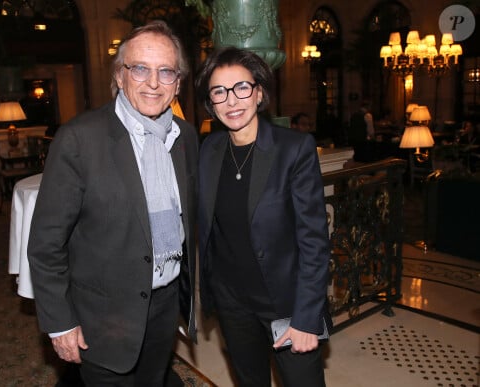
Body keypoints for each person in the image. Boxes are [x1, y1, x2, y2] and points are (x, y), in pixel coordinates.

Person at [27, 20, 198, 386]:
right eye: (140, 68)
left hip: (164, 307)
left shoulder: (184, 137)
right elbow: (46, 244)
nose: (153, 83)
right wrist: (60, 322)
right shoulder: (79, 140)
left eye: (166, 71)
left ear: (178, 83)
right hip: (102, 318)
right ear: (120, 76)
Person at [195, 46, 331, 387]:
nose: (232, 101)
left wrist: (306, 318)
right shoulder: (208, 151)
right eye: (219, 92)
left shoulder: (293, 149)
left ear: (258, 92)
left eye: (242, 87)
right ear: (210, 103)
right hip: (232, 304)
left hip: (284, 302)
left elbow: (314, 241)